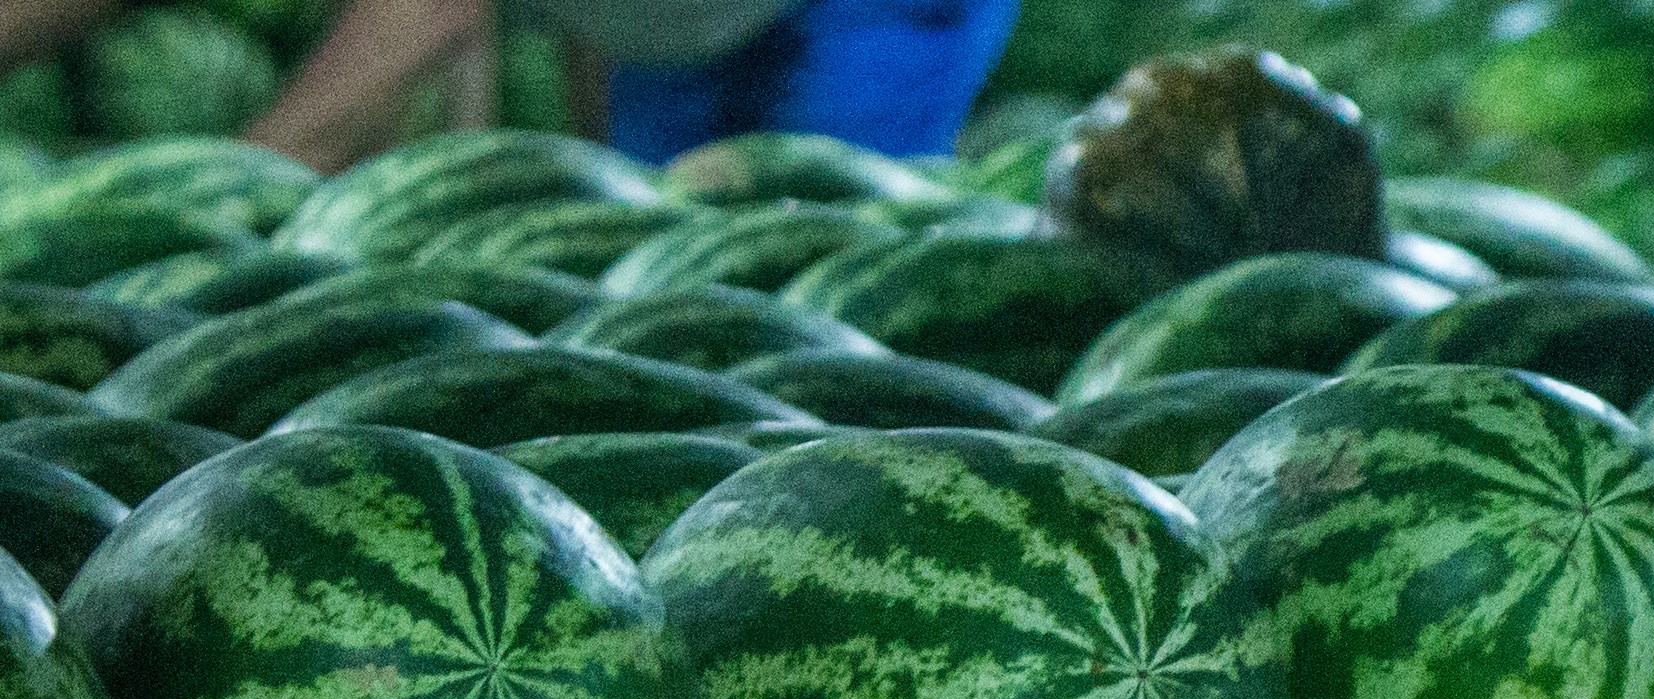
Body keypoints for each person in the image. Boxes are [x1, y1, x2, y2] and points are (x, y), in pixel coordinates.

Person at [0, 0, 1013, 168]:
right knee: (658, 261)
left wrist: (232, 182)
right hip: (662, 29)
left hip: (878, 11)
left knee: (809, 266)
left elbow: (433, 11)